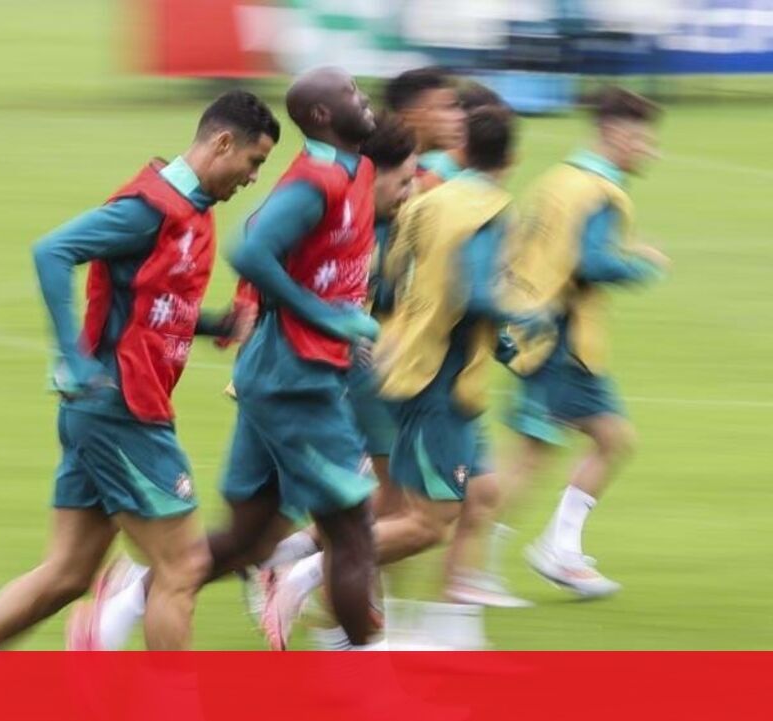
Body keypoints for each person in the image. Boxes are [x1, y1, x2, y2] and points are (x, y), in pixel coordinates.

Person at [0, 91, 280, 651]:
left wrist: (215, 321)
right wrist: (70, 358)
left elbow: (151, 304)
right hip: (124, 411)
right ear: (222, 143)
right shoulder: (150, 208)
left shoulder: (192, 211)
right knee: (183, 568)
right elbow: (52, 251)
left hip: (101, 413)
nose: (253, 176)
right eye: (254, 161)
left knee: (67, 574)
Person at [65, 112, 420, 652]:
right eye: (405, 180)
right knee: (355, 526)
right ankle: (363, 665)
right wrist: (313, 316)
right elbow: (255, 245)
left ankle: (124, 604)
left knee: (250, 538)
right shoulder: (325, 197)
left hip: (279, 380)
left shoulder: (354, 211)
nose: (411, 192)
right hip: (296, 384)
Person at [261, 105, 526, 650]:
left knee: (456, 499)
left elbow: (387, 283)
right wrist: (527, 313)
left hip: (407, 369)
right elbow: (471, 293)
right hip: (426, 377)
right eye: (403, 179)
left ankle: (420, 632)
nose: (408, 189)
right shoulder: (473, 209)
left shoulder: (422, 201)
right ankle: (311, 579)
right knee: (425, 519)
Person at [503, 87, 670, 598]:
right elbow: (591, 263)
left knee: (610, 439)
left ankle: (557, 550)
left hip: (536, 328)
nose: (650, 151)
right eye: (643, 139)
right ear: (615, 134)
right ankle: (465, 563)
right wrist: (642, 265)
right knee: (531, 459)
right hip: (562, 340)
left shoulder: (557, 179)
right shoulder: (601, 192)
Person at [384, 67, 465, 191]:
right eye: (449, 107)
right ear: (411, 117)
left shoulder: (435, 171)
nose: (461, 116)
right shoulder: (380, 175)